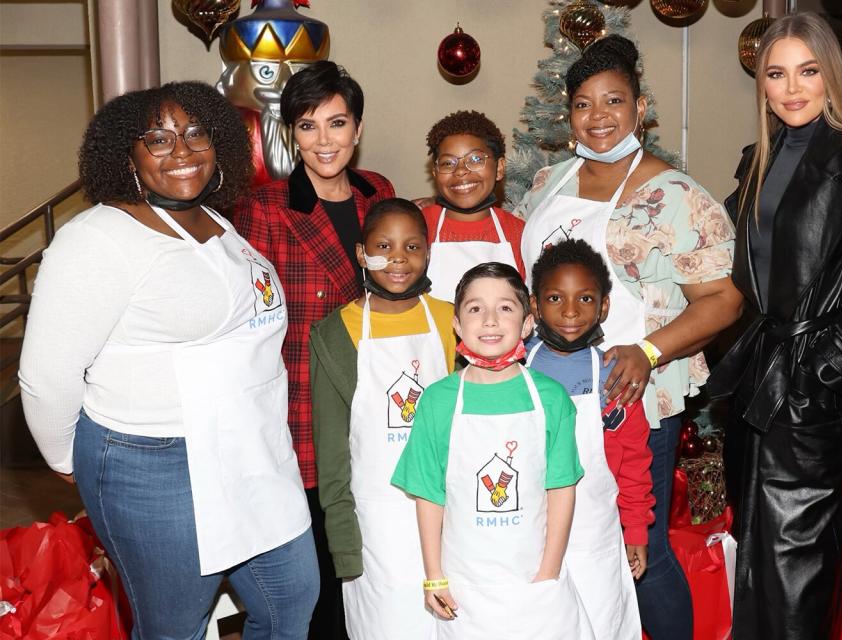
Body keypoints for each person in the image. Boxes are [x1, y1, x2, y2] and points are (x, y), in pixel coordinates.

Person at [18, 82, 320, 638]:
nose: (182, 151)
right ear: (127, 154)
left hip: (249, 452)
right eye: (157, 139)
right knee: (176, 626)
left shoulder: (217, 223)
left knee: (292, 599)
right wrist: (69, 460)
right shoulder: (99, 238)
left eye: (196, 133)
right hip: (155, 463)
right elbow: (45, 376)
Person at [513, 34, 743, 639]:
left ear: (641, 108)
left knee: (641, 550)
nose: (599, 117)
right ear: (568, 116)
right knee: (555, 536)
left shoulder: (675, 196)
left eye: (614, 101)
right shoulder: (547, 182)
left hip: (627, 399)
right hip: (547, 391)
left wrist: (647, 351)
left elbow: (724, 300)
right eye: (584, 104)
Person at [708, 13, 842, 639]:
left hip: (814, 390)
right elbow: (742, 271)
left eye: (808, 71)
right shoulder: (753, 162)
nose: (793, 88)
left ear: (829, 76)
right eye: (777, 73)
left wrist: (821, 371)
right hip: (759, 380)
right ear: (760, 82)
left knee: (799, 567)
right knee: (757, 550)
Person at [234, 60, 395, 637]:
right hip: (302, 407)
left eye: (336, 123)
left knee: (374, 553)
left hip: (377, 401)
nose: (323, 141)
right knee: (318, 571)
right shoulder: (265, 209)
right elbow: (247, 322)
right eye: (307, 126)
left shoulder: (380, 194)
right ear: (290, 134)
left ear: (357, 128)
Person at [391, 263, 594, 639]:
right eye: (474, 309)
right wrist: (434, 577)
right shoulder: (437, 401)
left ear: (527, 323)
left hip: (536, 580)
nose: (489, 320)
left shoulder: (550, 398)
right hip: (465, 589)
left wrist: (547, 575)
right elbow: (429, 495)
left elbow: (561, 489)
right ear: (456, 324)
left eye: (504, 308)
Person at [310, 199, 457, 639]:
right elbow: (332, 449)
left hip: (453, 518)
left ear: (428, 252)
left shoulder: (454, 321)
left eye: (412, 246)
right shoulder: (336, 332)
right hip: (377, 528)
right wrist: (344, 547)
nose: (398, 257)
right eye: (384, 245)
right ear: (361, 254)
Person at [526, 239, 653, 639]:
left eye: (584, 298)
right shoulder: (515, 369)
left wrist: (635, 530)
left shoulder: (614, 378)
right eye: (554, 298)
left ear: (604, 307)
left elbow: (634, 461)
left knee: (600, 623)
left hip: (594, 535)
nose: (569, 312)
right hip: (528, 532)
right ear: (534, 306)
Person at [421, 110, 527, 301]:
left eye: (475, 159)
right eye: (447, 163)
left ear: (500, 168)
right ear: (435, 172)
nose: (461, 170)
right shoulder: (419, 226)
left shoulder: (519, 232)